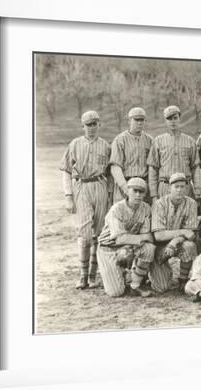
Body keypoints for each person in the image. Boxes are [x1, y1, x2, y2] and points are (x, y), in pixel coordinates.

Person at [60, 110, 111, 290]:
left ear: (99, 125)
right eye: (88, 125)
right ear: (82, 126)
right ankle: (82, 275)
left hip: (100, 186)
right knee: (85, 235)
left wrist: (110, 196)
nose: (91, 128)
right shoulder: (75, 144)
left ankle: (92, 276)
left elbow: (110, 174)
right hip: (81, 186)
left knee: (99, 233)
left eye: (94, 124)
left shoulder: (105, 145)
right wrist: (68, 196)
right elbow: (66, 171)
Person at [96, 178, 156, 297]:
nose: (138, 195)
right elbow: (119, 239)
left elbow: (147, 237)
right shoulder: (116, 209)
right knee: (116, 292)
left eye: (141, 192)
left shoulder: (146, 208)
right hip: (108, 248)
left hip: (129, 247)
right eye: (135, 191)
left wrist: (137, 239)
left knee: (149, 248)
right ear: (127, 191)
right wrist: (141, 237)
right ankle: (116, 274)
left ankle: (135, 285)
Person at [150, 173, 199, 292]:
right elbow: (159, 235)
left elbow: (190, 233)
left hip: (176, 243)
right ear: (169, 188)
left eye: (182, 186)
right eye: (176, 186)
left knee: (189, 246)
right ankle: (148, 272)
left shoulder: (191, 203)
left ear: (187, 188)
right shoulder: (159, 204)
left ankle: (182, 280)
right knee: (162, 288)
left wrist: (174, 241)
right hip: (158, 247)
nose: (179, 190)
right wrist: (182, 231)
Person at [147, 105, 201, 202]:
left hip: (184, 187)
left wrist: (197, 191)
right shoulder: (158, 141)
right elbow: (153, 169)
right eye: (169, 119)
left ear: (179, 119)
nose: (172, 121)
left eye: (175, 118)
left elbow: (195, 167)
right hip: (165, 186)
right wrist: (154, 194)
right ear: (165, 121)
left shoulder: (189, 141)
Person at [110, 107, 153, 204]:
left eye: (142, 120)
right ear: (129, 121)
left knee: (143, 216)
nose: (139, 123)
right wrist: (125, 188)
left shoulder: (150, 140)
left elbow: (153, 168)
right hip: (126, 183)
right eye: (136, 119)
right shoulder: (120, 140)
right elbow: (115, 167)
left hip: (143, 185)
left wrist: (150, 187)